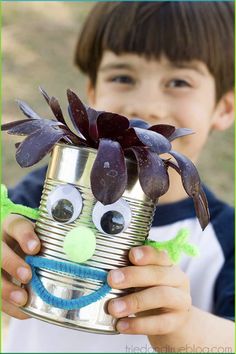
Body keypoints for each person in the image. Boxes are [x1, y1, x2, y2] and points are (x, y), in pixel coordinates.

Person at [2, 2, 234, 352]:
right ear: (92, 94)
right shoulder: (42, 196)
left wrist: (185, 326)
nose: (145, 104)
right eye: (122, 77)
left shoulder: (223, 240)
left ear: (224, 108)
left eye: (179, 81)